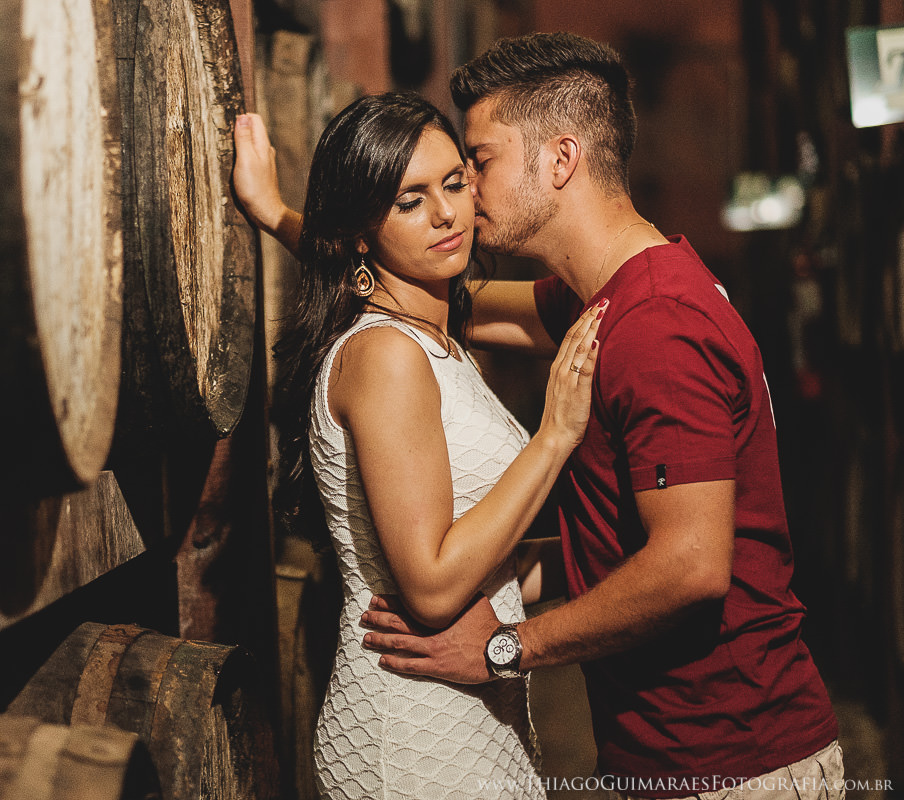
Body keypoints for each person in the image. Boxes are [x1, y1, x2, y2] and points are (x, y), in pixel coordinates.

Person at [237, 31, 844, 800]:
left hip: (730, 758)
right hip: (661, 753)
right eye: (435, 187)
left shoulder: (655, 324)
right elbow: (405, 275)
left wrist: (504, 648)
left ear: (560, 160)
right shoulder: (605, 301)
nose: (465, 197)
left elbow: (690, 566)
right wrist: (282, 216)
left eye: (476, 166)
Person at [235, 92, 605, 799]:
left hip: (466, 719)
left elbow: (485, 563)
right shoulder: (386, 356)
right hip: (411, 732)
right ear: (360, 233)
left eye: (455, 183)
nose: (445, 214)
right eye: (410, 199)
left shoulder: (439, 339)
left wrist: (605, 561)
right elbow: (434, 587)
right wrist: (554, 436)